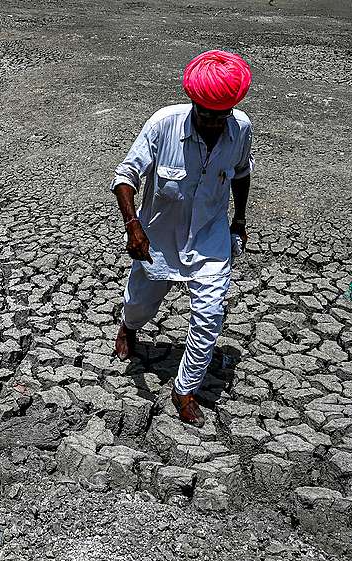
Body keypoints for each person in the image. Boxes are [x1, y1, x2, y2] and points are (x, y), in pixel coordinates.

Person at [110, 50, 253, 427]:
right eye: (205, 113)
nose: (212, 122)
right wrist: (133, 226)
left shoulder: (240, 129)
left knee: (209, 315)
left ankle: (184, 389)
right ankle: (128, 326)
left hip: (210, 239)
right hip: (157, 236)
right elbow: (126, 176)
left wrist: (238, 220)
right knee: (141, 304)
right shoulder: (163, 124)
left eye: (220, 116)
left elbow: (240, 174)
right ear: (193, 102)